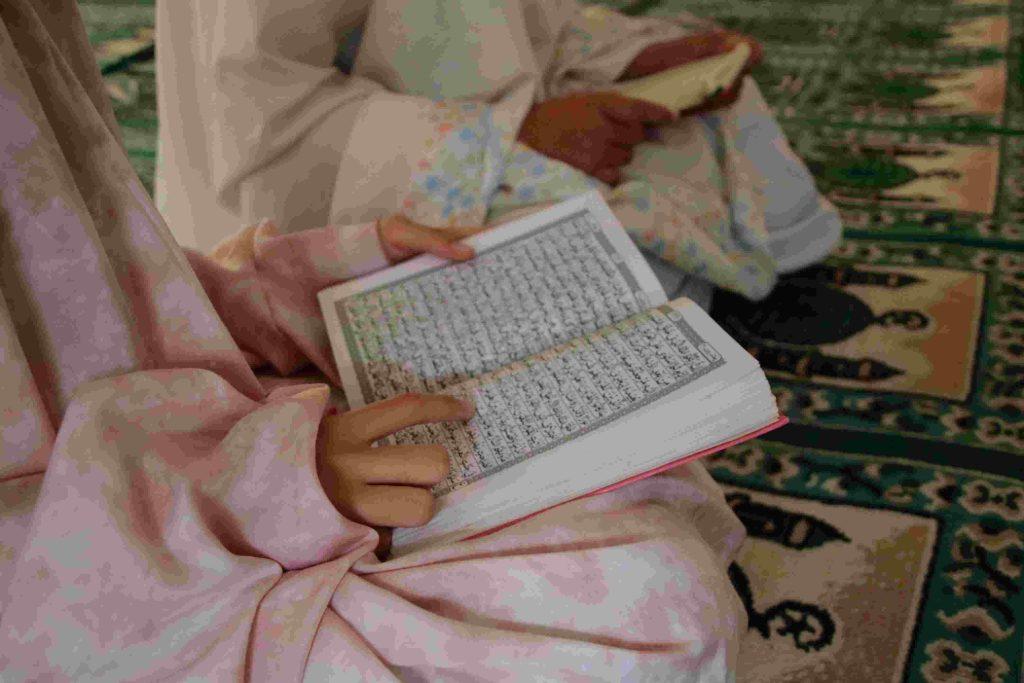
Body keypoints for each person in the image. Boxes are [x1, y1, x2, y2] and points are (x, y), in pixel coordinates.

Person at [0, 0, 749, 678]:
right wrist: (259, 488)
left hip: (186, 439)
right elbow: (257, 115)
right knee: (658, 604)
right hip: (118, 567)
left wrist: (302, 279)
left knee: (632, 466)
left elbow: (91, 288)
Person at [155, 0, 843, 310]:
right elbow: (261, 133)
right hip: (344, 192)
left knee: (725, 119)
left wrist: (638, 58)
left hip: (490, 124)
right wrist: (518, 134)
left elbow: (521, 27)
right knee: (620, 239)